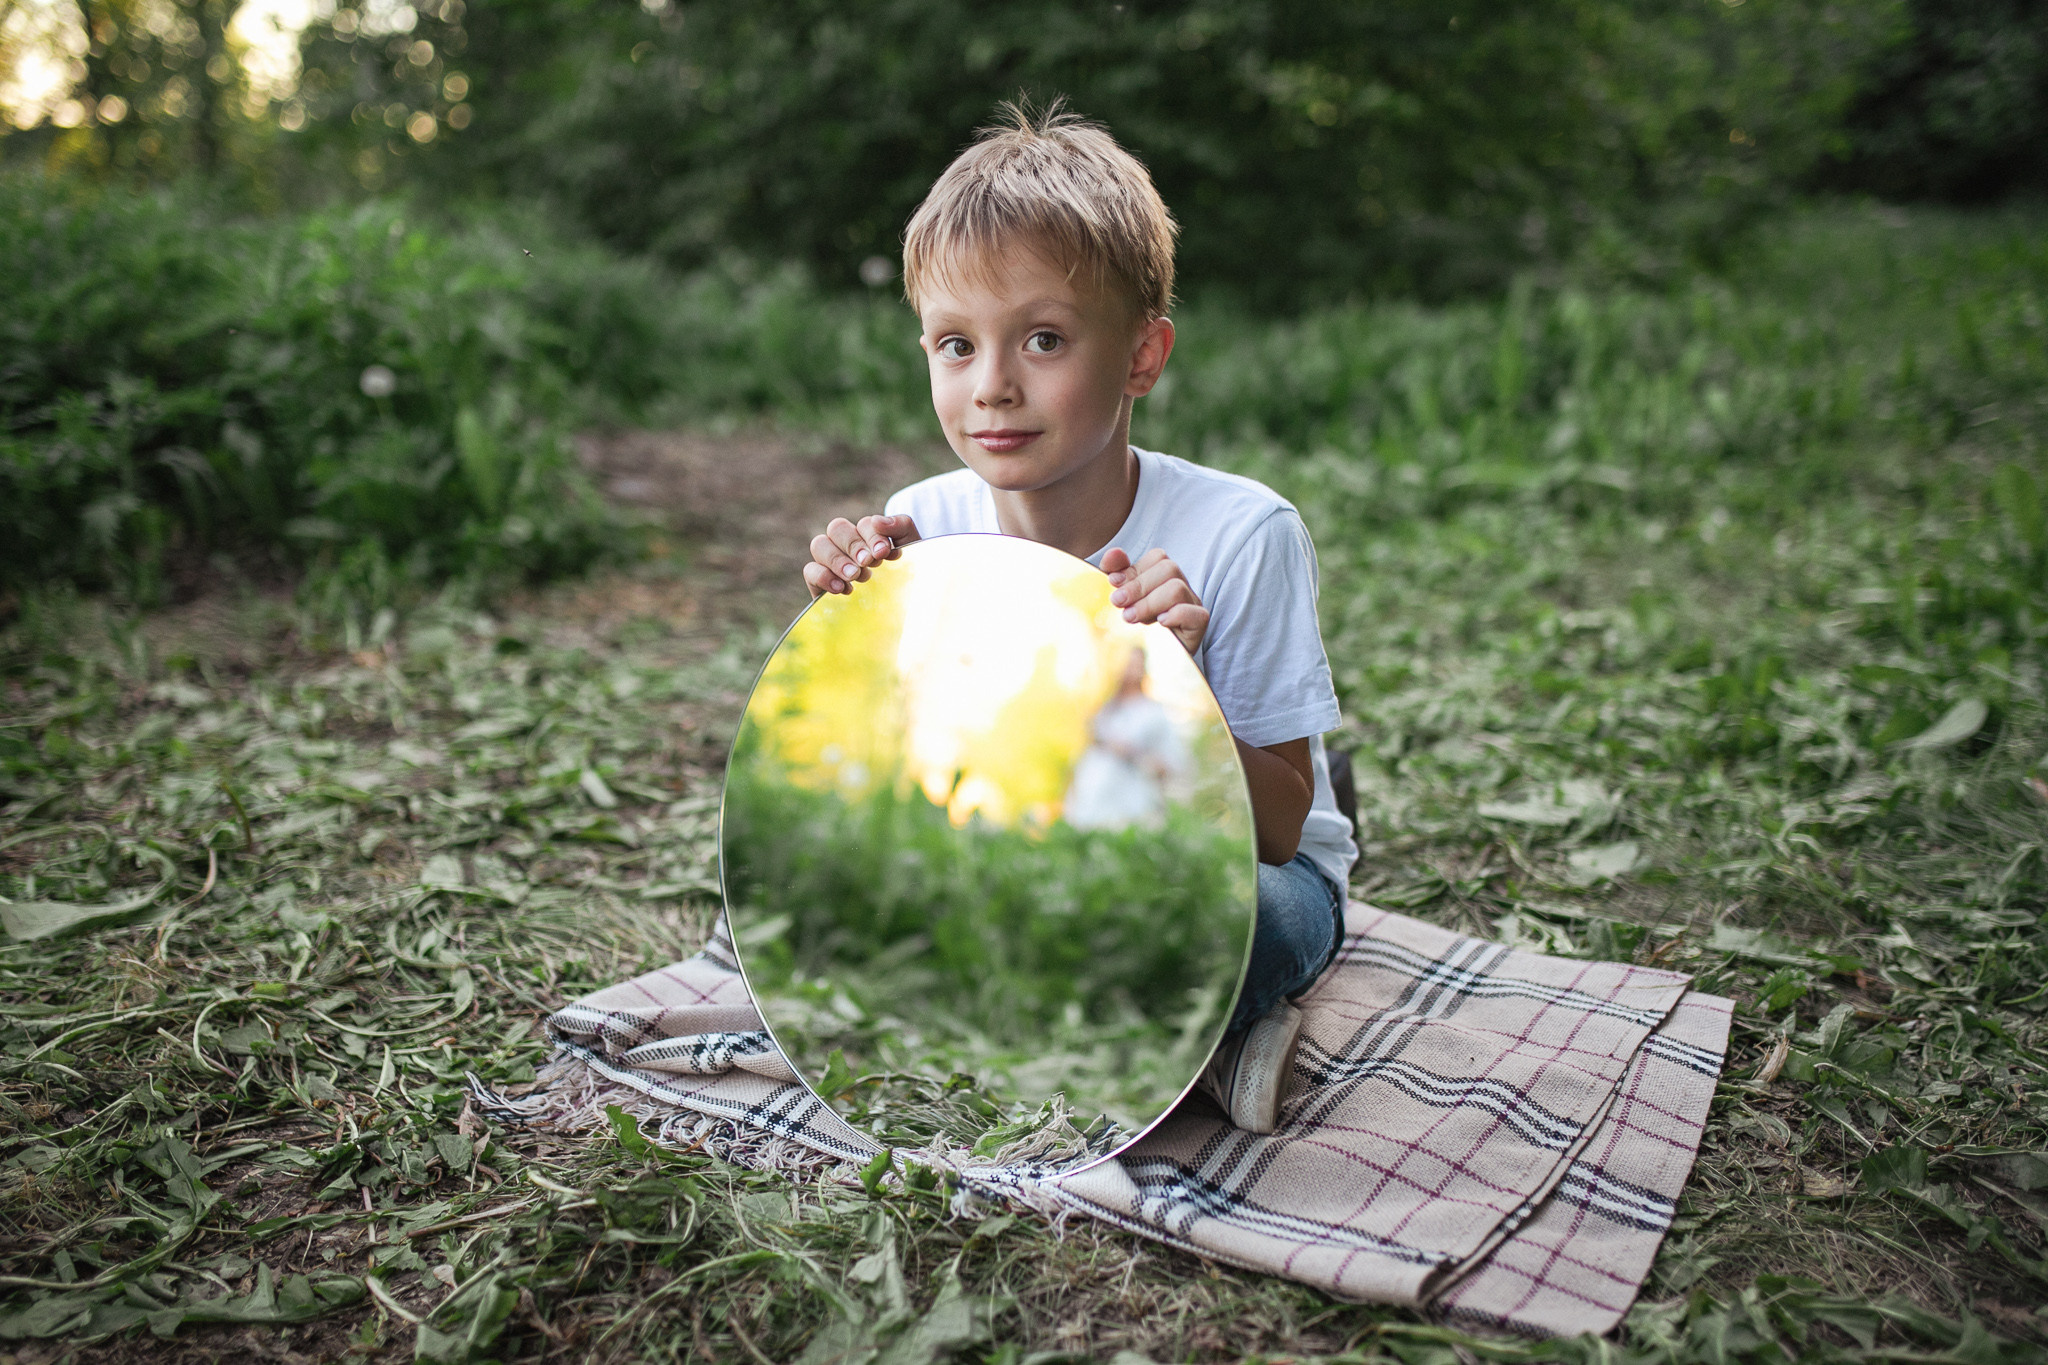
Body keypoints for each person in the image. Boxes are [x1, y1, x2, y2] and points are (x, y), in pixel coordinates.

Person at [801, 101, 1357, 1134]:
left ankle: (1223, 1028)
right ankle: (1155, 1045)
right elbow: (912, 783)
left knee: (1188, 927)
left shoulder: (1242, 532)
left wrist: (1170, 695)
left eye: (1043, 339)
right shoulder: (927, 525)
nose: (993, 386)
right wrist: (863, 635)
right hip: (1038, 843)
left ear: (1142, 357)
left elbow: (1277, 832)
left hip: (1235, 870)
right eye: (955, 345)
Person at [1063, 648, 1187, 831]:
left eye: (1136, 664)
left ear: (1143, 669)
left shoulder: (1154, 713)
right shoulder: (1104, 711)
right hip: (1091, 806)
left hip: (1131, 811)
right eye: (1126, 663)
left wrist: (1134, 755)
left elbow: (1171, 764)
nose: (1130, 669)